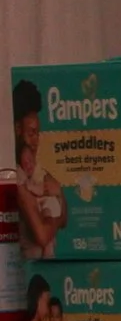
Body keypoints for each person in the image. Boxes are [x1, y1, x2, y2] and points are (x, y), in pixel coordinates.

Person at [11, 80, 62, 259]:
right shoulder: (17, 178)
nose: (36, 142)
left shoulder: (37, 171)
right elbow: (41, 236)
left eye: (38, 134)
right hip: (30, 269)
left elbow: (65, 217)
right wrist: (54, 213)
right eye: (31, 133)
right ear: (17, 129)